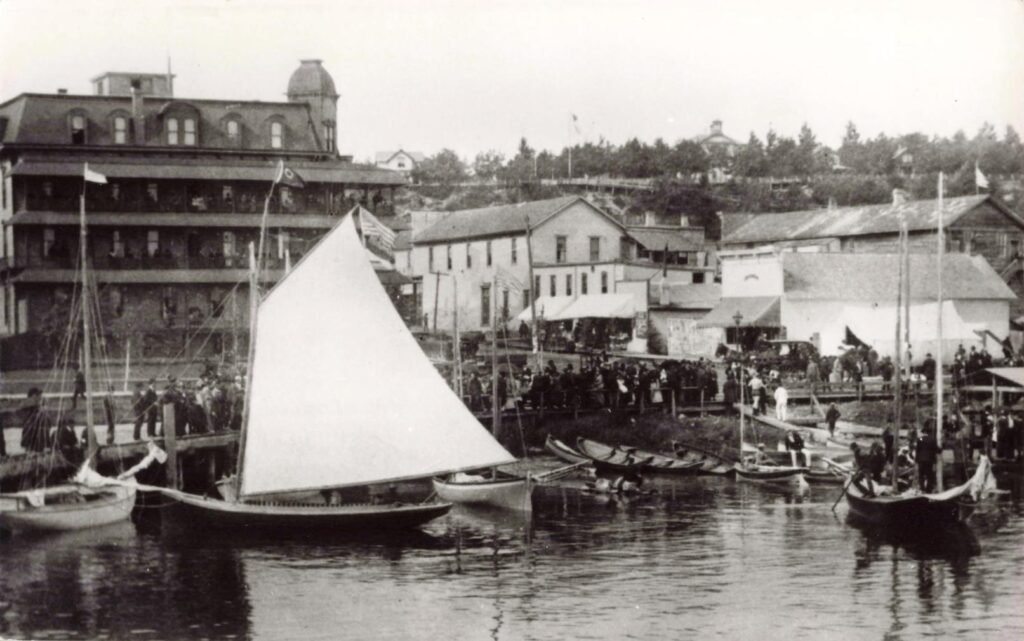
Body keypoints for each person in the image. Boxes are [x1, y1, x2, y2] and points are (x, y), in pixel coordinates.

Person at [915, 427, 940, 493]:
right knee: (929, 475)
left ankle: (922, 489)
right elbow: (937, 450)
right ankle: (928, 489)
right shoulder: (932, 439)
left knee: (921, 475)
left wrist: (916, 460)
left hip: (921, 459)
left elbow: (917, 450)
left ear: (923, 432)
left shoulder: (920, 439)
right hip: (929, 460)